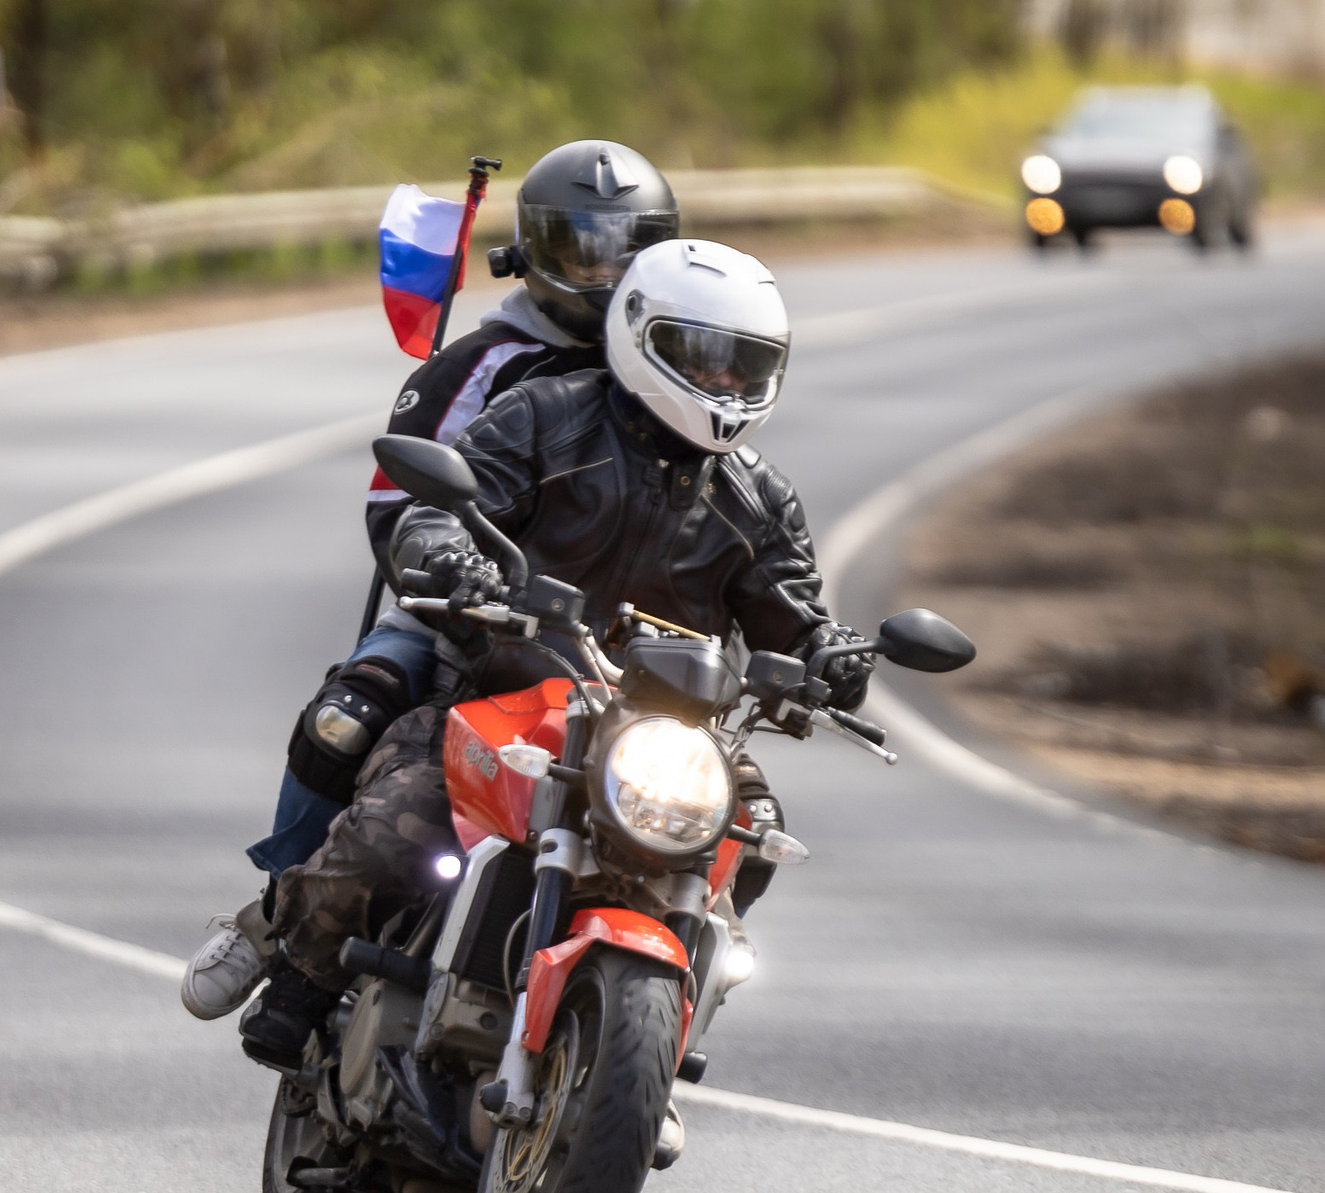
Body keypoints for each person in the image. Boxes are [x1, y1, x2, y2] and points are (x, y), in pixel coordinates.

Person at [188, 237, 876, 1066]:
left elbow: (792, 610)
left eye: (745, 365)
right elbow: (446, 504)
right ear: (639, 333)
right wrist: (446, 549)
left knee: (754, 834)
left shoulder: (759, 498)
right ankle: (303, 972)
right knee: (396, 827)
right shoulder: (544, 415)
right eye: (704, 358)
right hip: (507, 698)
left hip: (667, 739)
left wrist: (830, 654)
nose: (725, 383)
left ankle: (650, 1046)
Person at [181, 140, 678, 1021]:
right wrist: (445, 569)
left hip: (613, 645)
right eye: (579, 246)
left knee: (723, 807)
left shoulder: (680, 369)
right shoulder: (484, 361)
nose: (601, 270)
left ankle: (648, 1028)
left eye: (624, 248)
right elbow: (393, 502)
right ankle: (276, 908)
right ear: (531, 251)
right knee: (354, 708)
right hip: (473, 610)